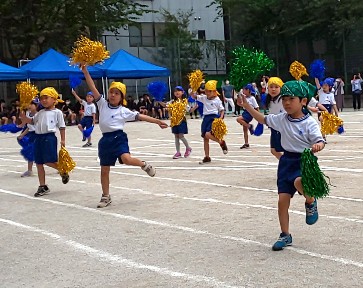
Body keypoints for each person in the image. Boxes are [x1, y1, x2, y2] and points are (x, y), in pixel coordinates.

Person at [240, 80, 325, 251]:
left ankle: (310, 201)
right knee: (282, 202)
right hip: (286, 162)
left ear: (303, 101)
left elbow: (319, 140)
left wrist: (318, 145)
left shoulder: (309, 123)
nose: (286, 103)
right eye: (284, 99)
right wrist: (247, 106)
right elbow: (262, 119)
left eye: (291, 99)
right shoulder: (281, 119)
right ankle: (285, 234)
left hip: (304, 161)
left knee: (299, 181)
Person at [81, 65, 168, 208]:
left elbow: (141, 116)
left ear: (121, 97)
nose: (113, 95)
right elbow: (92, 86)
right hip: (105, 140)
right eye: (111, 92)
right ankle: (105, 196)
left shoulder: (123, 111)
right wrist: (85, 71)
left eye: (117, 93)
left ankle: (143, 165)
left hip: (118, 138)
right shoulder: (102, 104)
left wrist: (157, 121)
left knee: (126, 159)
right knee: (104, 169)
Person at [20, 87, 69, 197]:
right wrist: (23, 117)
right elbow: (31, 122)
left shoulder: (57, 112)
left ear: (54, 99)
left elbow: (62, 127)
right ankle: (42, 186)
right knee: (39, 162)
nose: (43, 100)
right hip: (38, 138)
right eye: (42, 98)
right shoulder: (40, 113)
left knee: (48, 161)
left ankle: (62, 170)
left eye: (46, 98)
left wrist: (63, 139)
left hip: (49, 138)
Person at [191, 80, 228, 164]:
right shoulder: (204, 98)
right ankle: (207, 156)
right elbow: (194, 96)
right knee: (205, 138)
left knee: (208, 134)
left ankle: (221, 142)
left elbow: (222, 110)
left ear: (214, 91)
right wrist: (193, 87)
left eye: (210, 91)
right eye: (206, 91)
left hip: (214, 118)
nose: (207, 93)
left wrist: (221, 118)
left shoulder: (217, 100)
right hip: (206, 119)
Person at [17, 99, 39, 177]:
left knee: (47, 152)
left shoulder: (39, 114)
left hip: (39, 135)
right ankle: (29, 170)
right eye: (28, 104)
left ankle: (60, 166)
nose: (29, 106)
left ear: (36, 105)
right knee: (30, 152)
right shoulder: (27, 113)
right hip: (32, 135)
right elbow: (29, 127)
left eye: (31, 104)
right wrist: (22, 135)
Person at [169, 86, 192, 159]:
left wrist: (196, 106)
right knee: (176, 136)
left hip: (182, 120)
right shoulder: (172, 101)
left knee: (181, 136)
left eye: (179, 90)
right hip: (174, 121)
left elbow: (189, 110)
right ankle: (178, 152)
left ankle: (188, 148)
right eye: (175, 91)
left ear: (182, 92)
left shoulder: (184, 101)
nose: (177, 92)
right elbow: (166, 106)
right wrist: (159, 101)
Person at [265, 77, 284, 159]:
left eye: (276, 87)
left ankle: (289, 165)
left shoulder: (283, 99)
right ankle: (287, 164)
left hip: (282, 129)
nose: (273, 89)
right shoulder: (270, 100)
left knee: (284, 150)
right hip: (274, 128)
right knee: (273, 150)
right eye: (271, 87)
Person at [315, 77, 339, 141]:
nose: (324, 86)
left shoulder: (331, 95)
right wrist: (316, 76)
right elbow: (317, 82)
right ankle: (323, 136)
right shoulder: (320, 91)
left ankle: (323, 136)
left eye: (326, 85)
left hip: (328, 109)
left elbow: (333, 104)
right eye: (323, 85)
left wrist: (336, 113)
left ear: (330, 87)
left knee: (323, 122)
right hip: (321, 108)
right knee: (322, 121)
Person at [236, 84, 259, 149]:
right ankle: (246, 143)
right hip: (245, 112)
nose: (243, 91)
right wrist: (238, 96)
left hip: (249, 113)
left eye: (244, 90)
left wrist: (258, 116)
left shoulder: (252, 98)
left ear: (248, 90)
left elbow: (256, 107)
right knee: (244, 129)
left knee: (238, 119)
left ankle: (250, 126)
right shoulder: (244, 97)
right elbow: (239, 104)